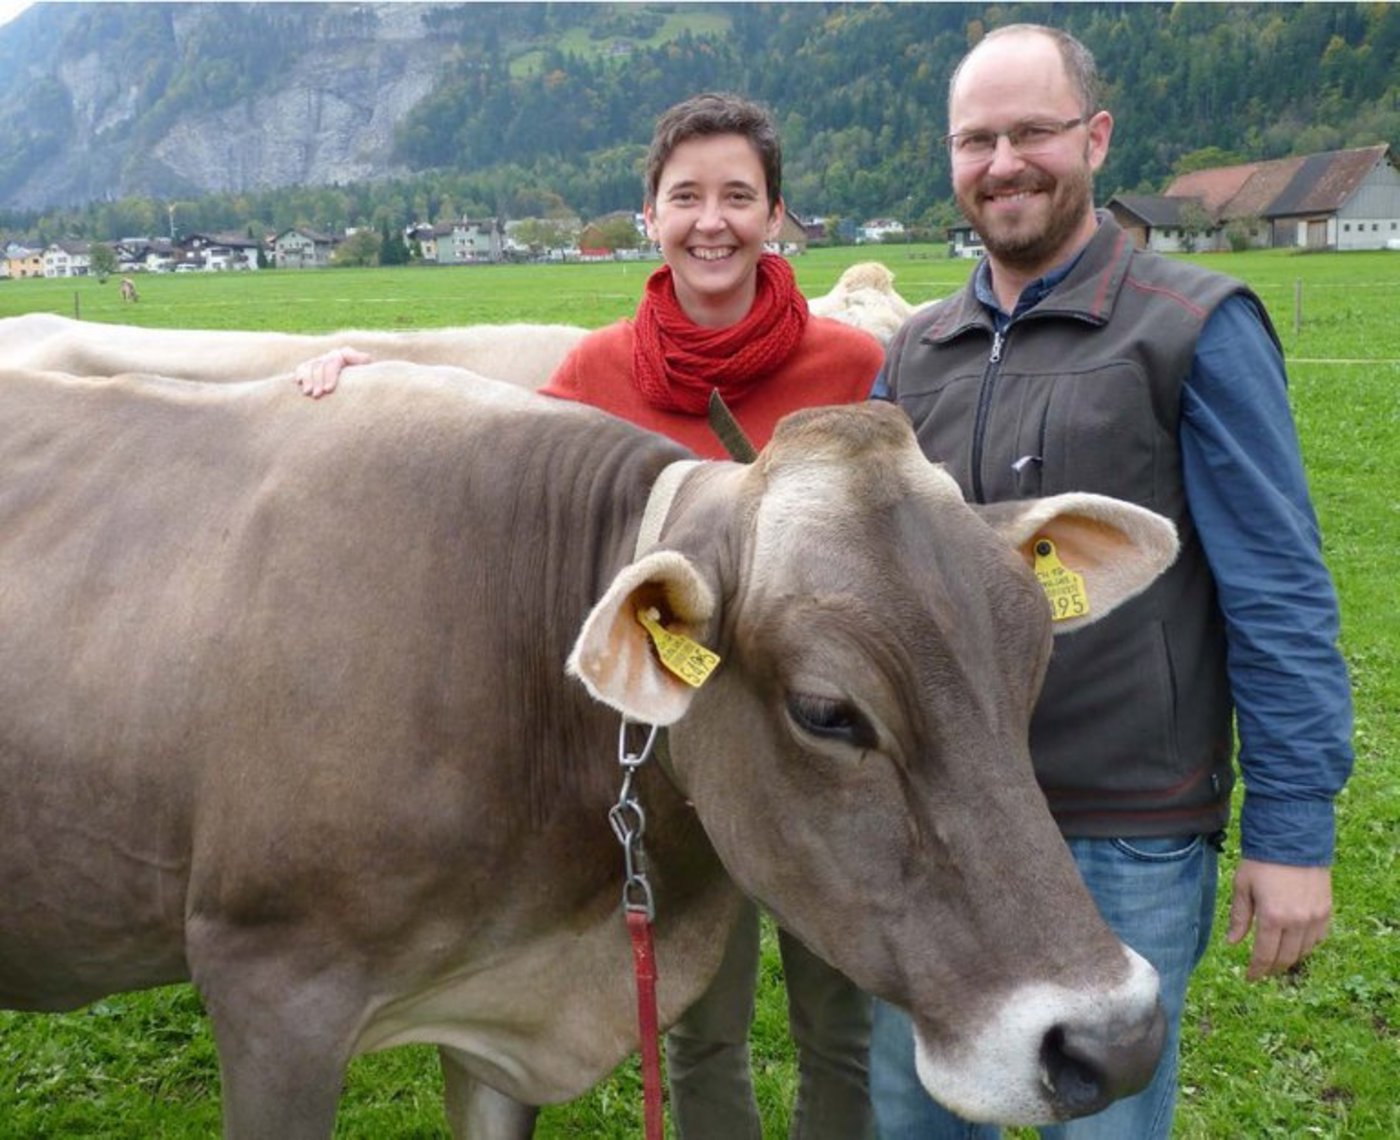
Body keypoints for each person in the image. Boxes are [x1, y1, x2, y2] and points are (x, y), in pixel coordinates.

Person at [295, 92, 883, 1136]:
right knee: (704, 1028)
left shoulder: (850, 371)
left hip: (820, 753)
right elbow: (500, 445)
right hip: (677, 764)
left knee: (837, 1016)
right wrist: (373, 377)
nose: (712, 220)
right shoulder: (600, 371)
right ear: (648, 213)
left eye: (738, 196)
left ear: (775, 215)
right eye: (685, 195)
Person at [867, 24, 1353, 1140]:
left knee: (1107, 1125)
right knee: (910, 1114)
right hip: (938, 832)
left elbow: (1275, 591)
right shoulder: (916, 352)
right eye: (974, 139)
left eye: (1030, 131)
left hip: (1119, 828)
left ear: (1092, 138)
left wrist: (1290, 831)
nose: (1002, 163)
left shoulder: (1188, 329)